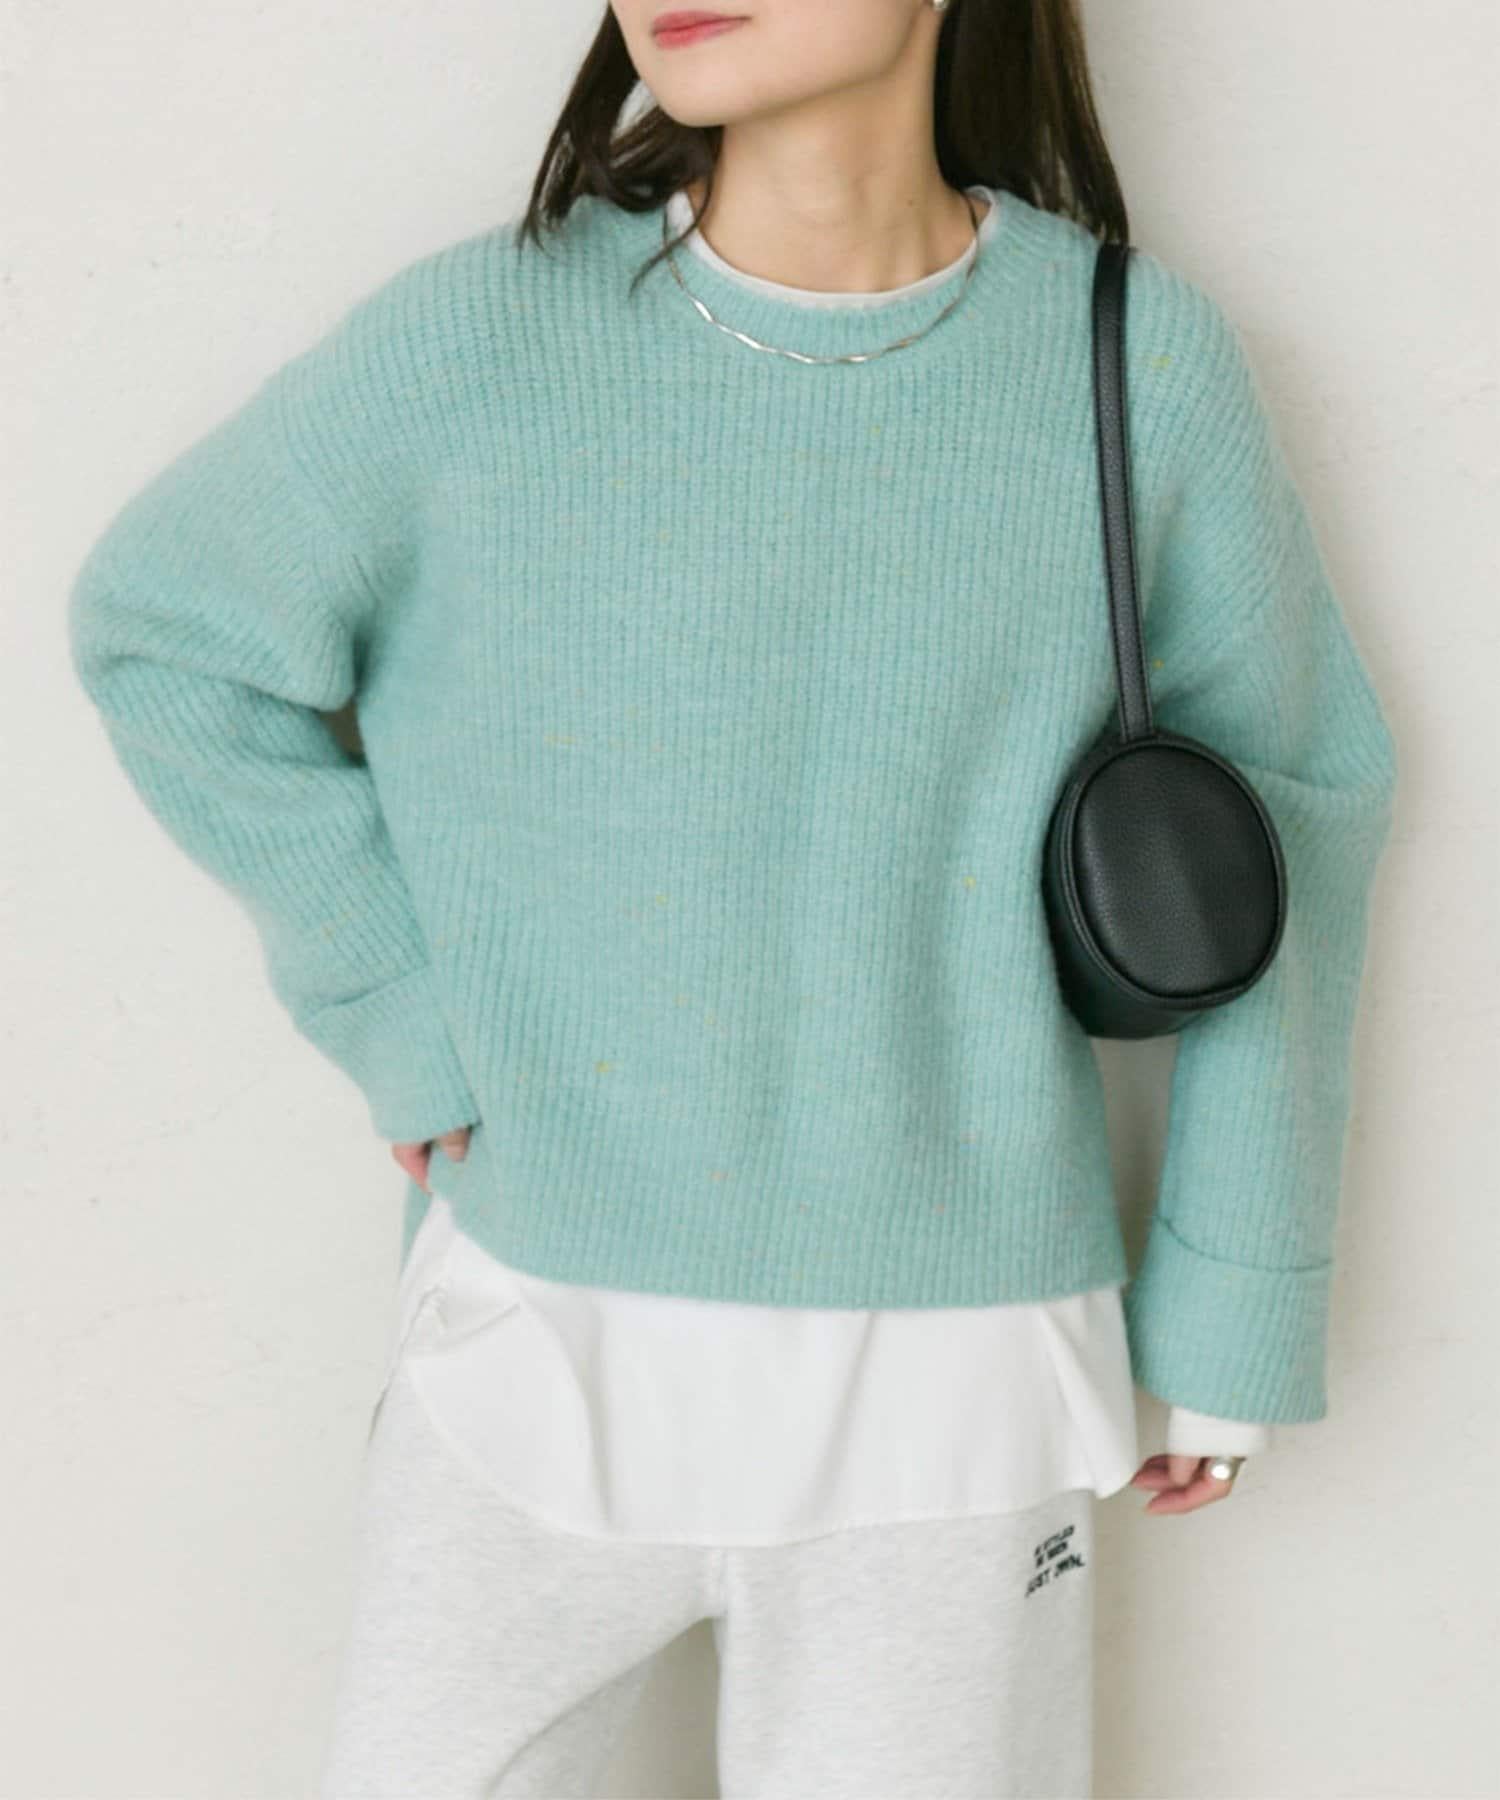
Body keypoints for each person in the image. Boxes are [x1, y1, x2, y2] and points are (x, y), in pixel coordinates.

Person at [66, 0, 1399, 1794]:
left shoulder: (1130, 361)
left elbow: (1292, 815)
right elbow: (168, 631)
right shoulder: (486, 339)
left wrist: (1234, 1301)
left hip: (953, 1398)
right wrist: (398, 1009)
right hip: (537, 1343)